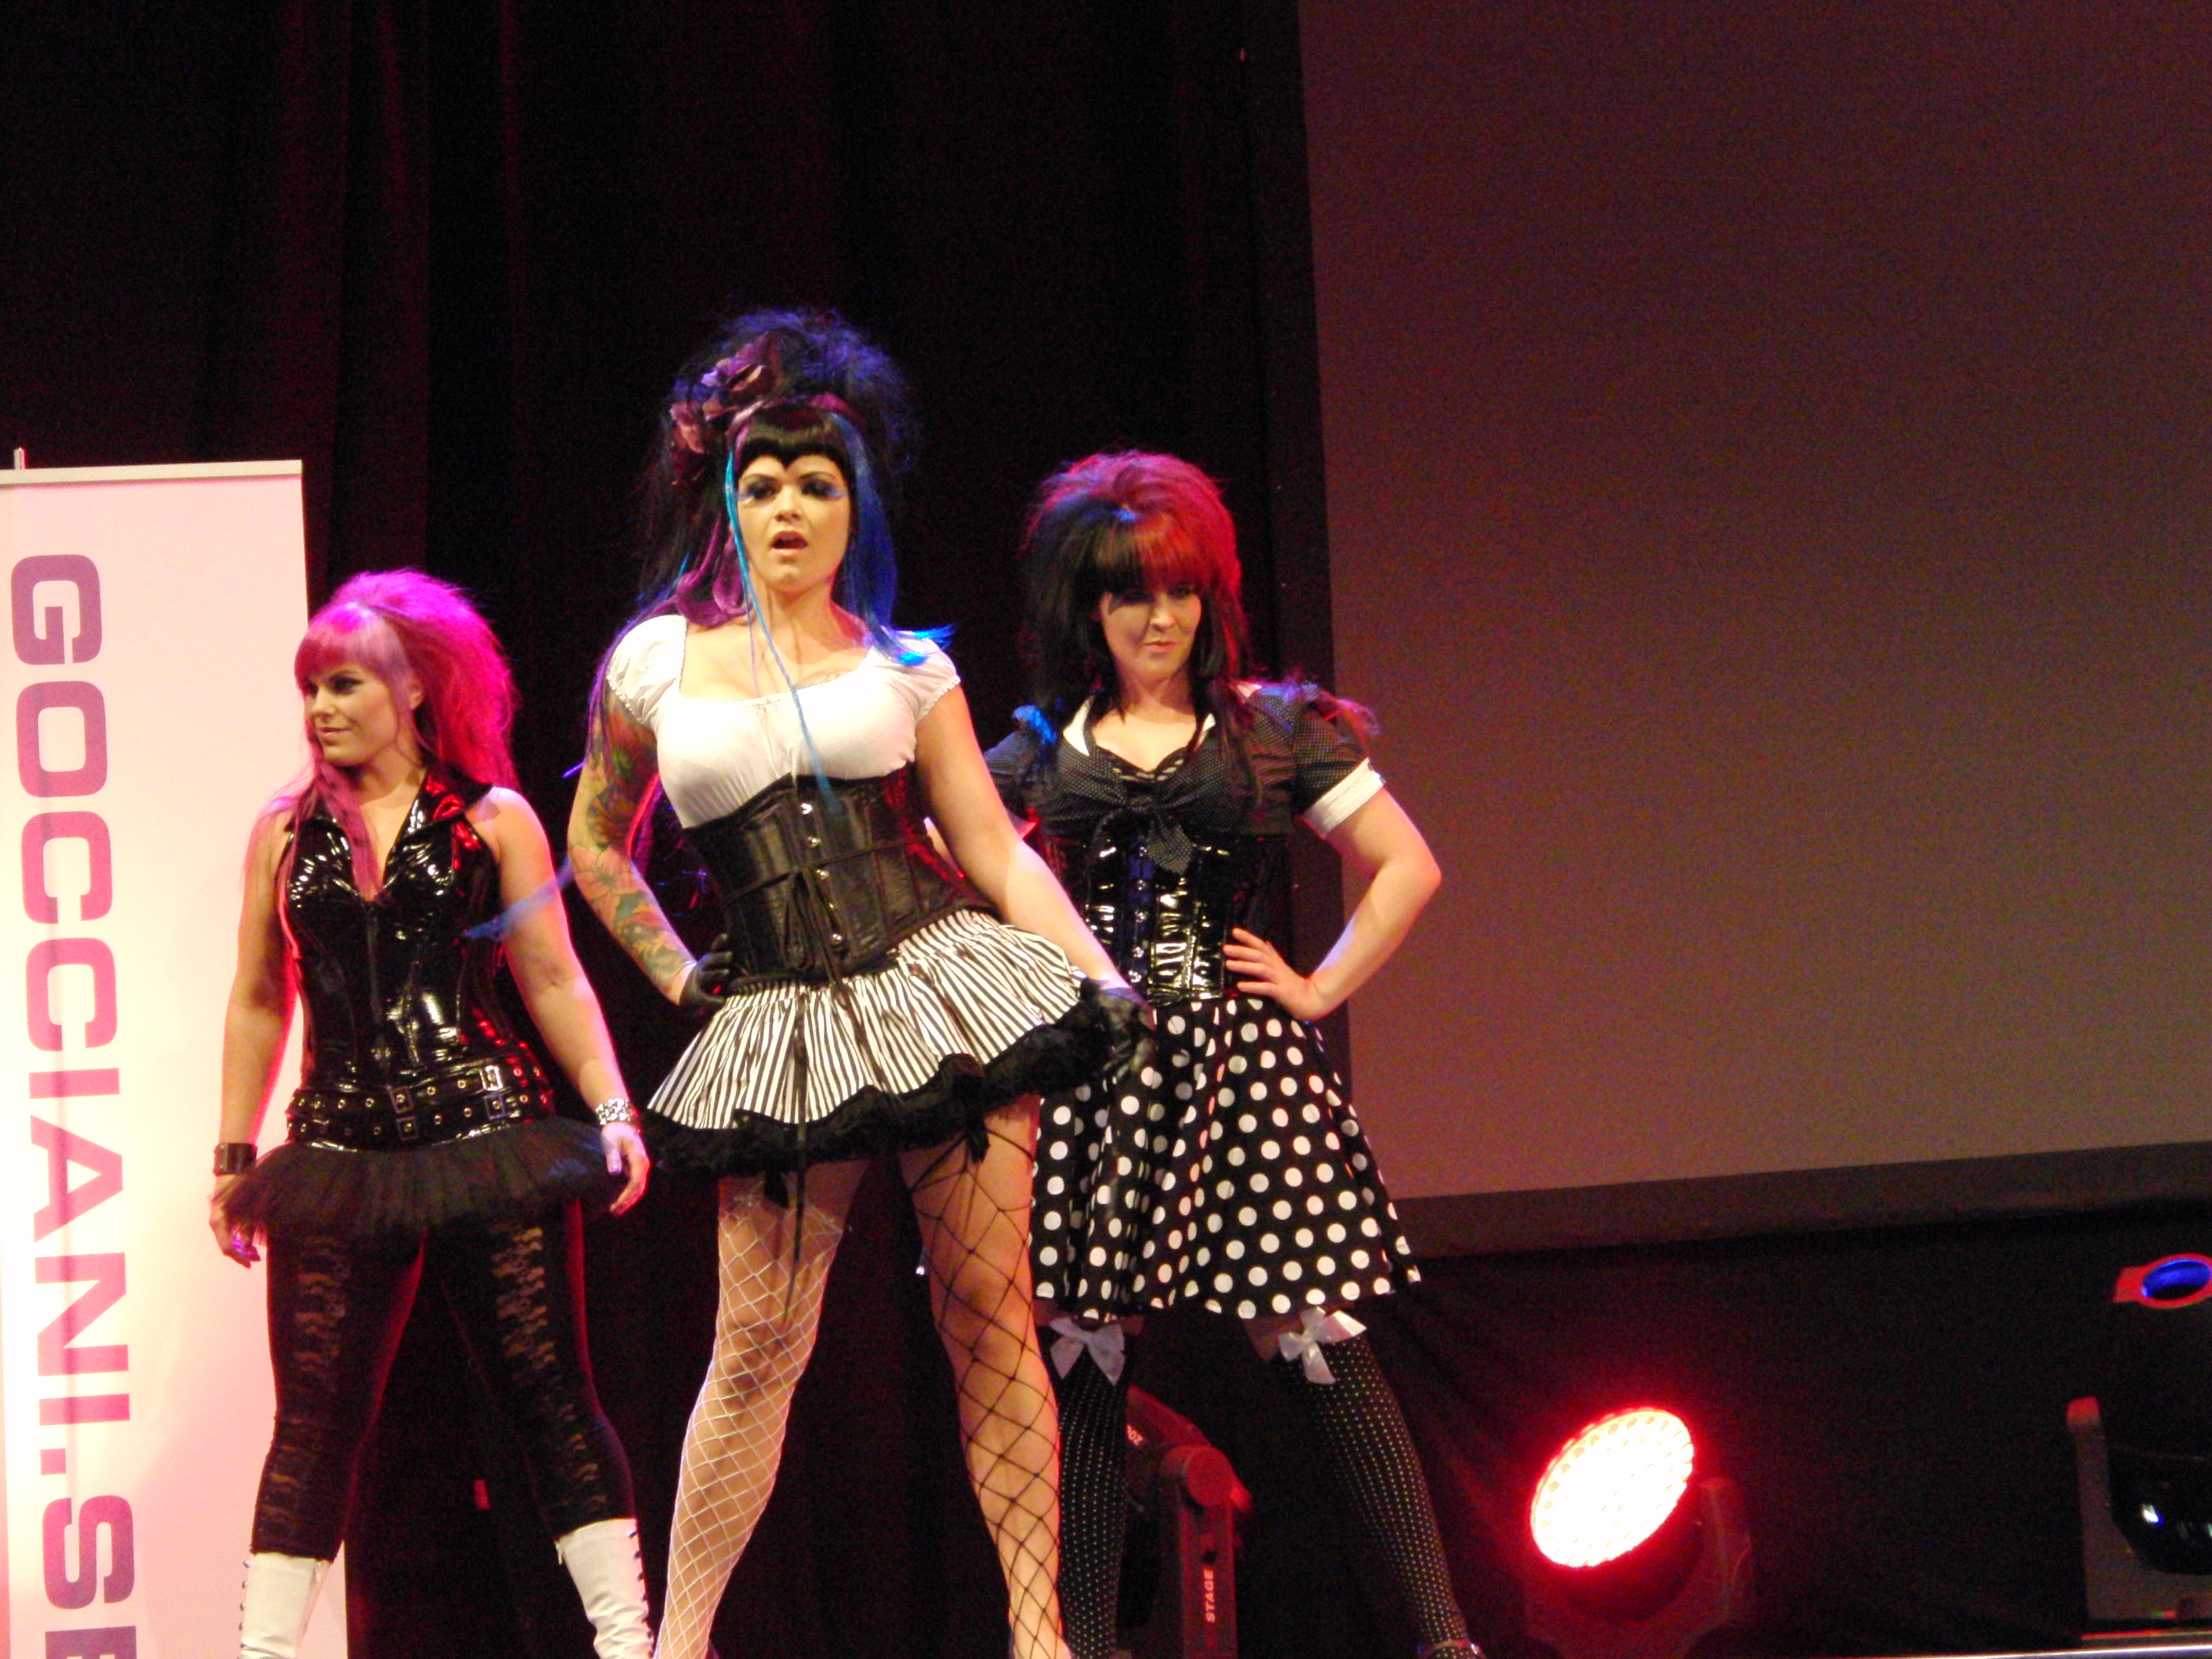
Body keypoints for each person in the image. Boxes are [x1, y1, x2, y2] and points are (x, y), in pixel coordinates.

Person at [568, 309, 1143, 1659]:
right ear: (726, 498)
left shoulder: (908, 669)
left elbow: (992, 852)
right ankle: (679, 1645)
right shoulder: (651, 665)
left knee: (989, 1315)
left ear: (853, 507)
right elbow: (595, 842)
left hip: (945, 992)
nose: (787, 508)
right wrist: (679, 977)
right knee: (756, 1349)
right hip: (781, 1021)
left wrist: (1101, 983)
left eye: (816, 485)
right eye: (762, 483)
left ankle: (1040, 1636)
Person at [986, 453, 1480, 1659]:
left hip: (1241, 1068)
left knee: (1320, 1338)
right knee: (1086, 1356)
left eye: (1181, 592)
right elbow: (964, 875)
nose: (1160, 619)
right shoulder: (1043, 748)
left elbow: (1406, 865)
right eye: (1130, 594)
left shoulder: (1268, 731)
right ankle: (1081, 1648)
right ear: (1087, 606)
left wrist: (1317, 987)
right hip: (1098, 1074)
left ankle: (1442, 1644)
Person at [213, 571, 654, 1659]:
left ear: (412, 689)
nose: (320, 708)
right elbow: (260, 997)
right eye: (310, 687)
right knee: (313, 1426)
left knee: (549, 1397)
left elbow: (552, 977)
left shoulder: (493, 819)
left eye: (345, 684)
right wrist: (231, 1154)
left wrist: (613, 1109)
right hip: (338, 1145)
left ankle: (627, 1642)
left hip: (486, 1128)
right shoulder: (282, 833)